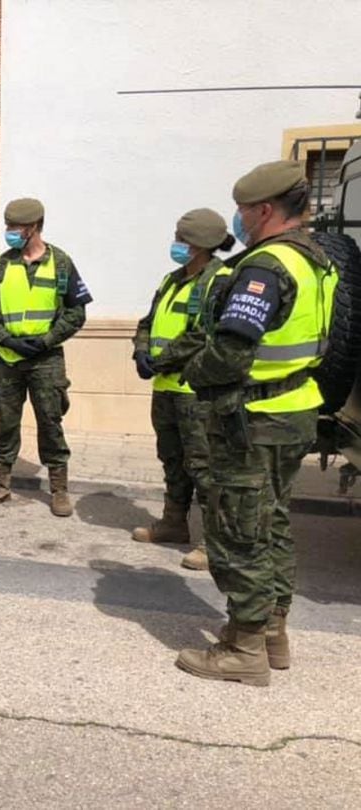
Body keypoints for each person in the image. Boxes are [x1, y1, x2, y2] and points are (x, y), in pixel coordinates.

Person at [176, 160, 338, 686]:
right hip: (294, 410)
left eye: (244, 210)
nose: (239, 219)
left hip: (255, 418)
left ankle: (244, 649)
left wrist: (193, 371)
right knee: (272, 523)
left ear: (264, 210)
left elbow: (228, 353)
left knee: (238, 530)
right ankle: (273, 633)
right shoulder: (317, 260)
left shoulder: (265, 268)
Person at [130, 209, 236, 571]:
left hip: (196, 391)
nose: (176, 244)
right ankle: (173, 522)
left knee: (203, 465)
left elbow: (202, 333)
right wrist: (141, 350)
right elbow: (148, 321)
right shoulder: (172, 279)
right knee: (172, 459)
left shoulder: (221, 281)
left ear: (202, 244)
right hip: (165, 387)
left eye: (182, 239)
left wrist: (160, 360)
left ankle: (213, 541)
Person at [0, 198, 93, 516]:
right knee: (6, 423)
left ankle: (59, 490)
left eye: (15, 227)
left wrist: (45, 341)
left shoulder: (62, 263)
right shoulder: (0, 266)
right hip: (7, 358)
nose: (9, 233)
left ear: (34, 227)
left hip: (46, 360)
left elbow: (76, 312)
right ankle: (0, 484)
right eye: (8, 226)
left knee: (50, 422)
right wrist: (6, 339)